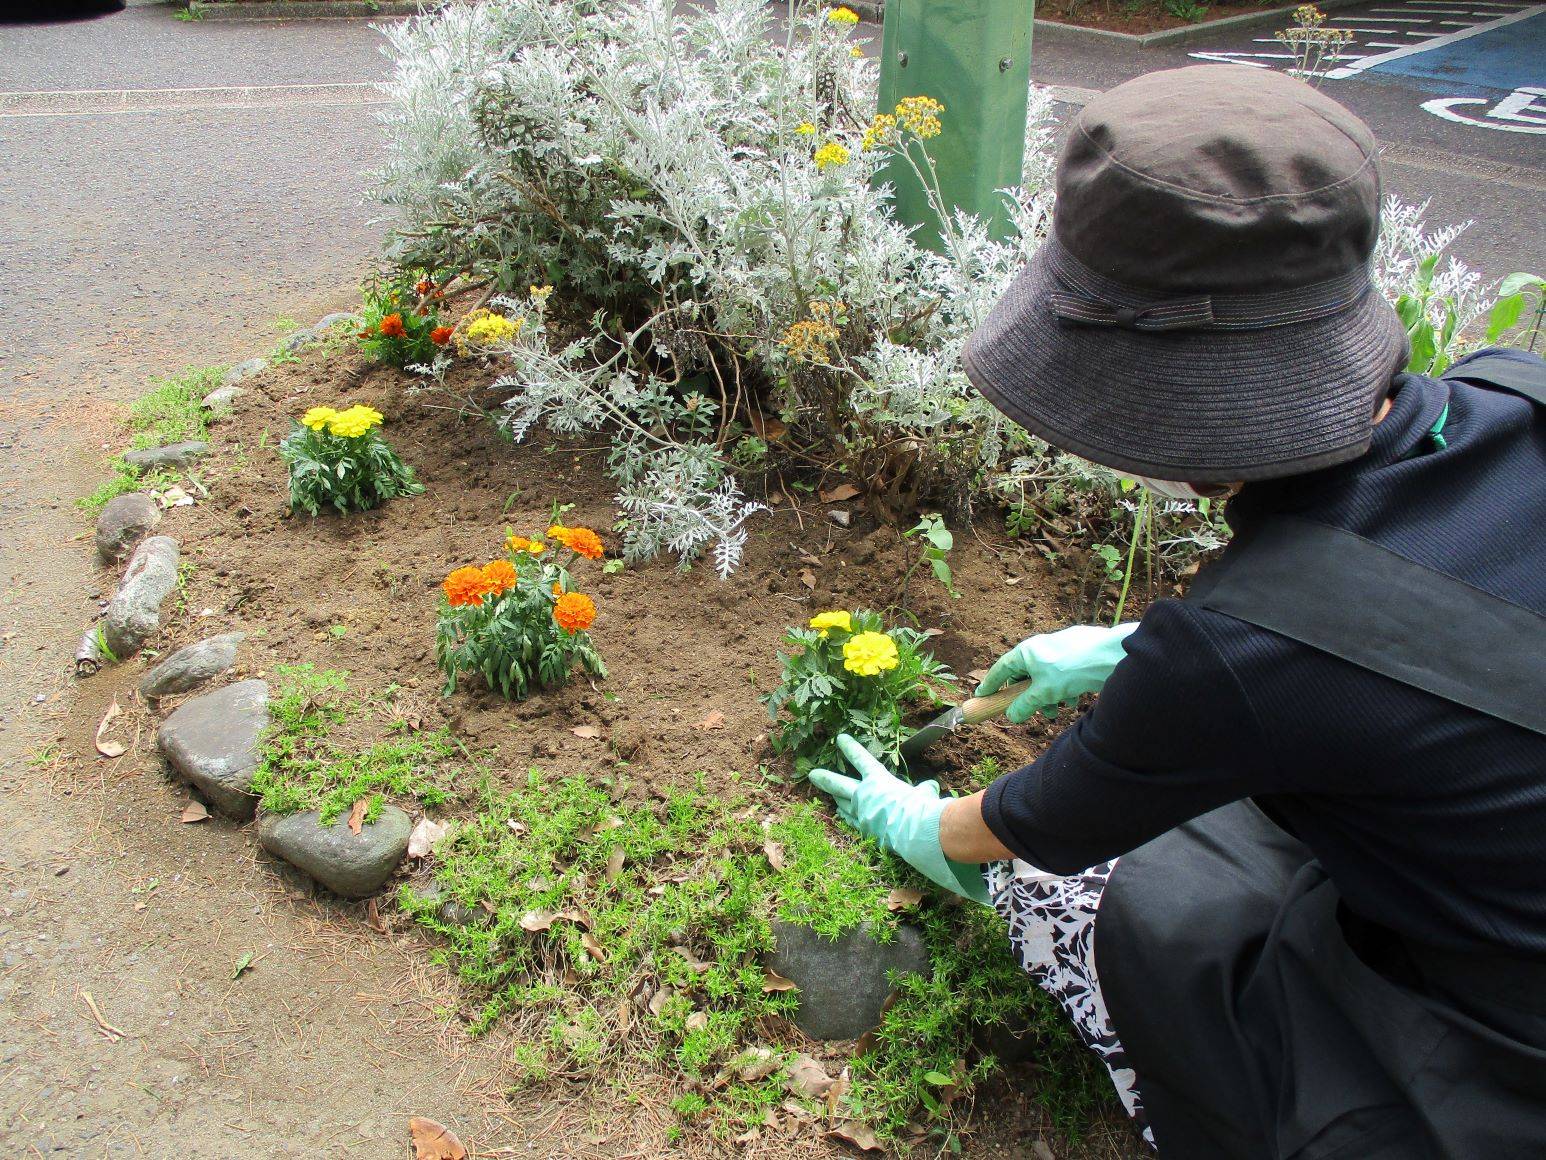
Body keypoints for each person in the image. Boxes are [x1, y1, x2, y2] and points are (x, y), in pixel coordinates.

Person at [809, 65, 1546, 1159]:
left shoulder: (1230, 653)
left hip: (1504, 1059)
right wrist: (1126, 646)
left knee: (1135, 896)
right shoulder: (1510, 392)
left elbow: (1027, 823)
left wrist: (924, 822)